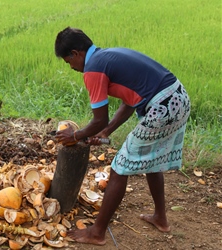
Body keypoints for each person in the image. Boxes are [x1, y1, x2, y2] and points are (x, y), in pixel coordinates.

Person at [54, 27, 190, 246]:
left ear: (76, 53)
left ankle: (96, 233)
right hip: (178, 98)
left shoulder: (93, 69)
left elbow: (99, 120)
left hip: (163, 106)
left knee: (120, 167)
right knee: (151, 159)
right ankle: (161, 218)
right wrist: (107, 132)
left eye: (68, 62)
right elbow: (130, 100)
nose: (71, 67)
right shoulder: (107, 56)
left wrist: (76, 135)